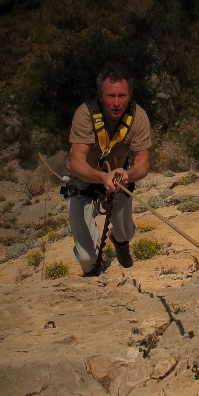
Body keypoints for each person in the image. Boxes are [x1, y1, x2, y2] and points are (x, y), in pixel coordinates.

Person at [65, 62, 152, 276]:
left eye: (121, 96)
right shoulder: (85, 115)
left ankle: (120, 242)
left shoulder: (138, 117)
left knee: (126, 232)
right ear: (100, 95)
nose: (116, 103)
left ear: (129, 96)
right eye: (110, 96)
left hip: (118, 180)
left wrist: (127, 174)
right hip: (83, 182)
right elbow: (76, 162)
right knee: (87, 260)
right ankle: (94, 264)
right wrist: (101, 176)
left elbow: (143, 163)